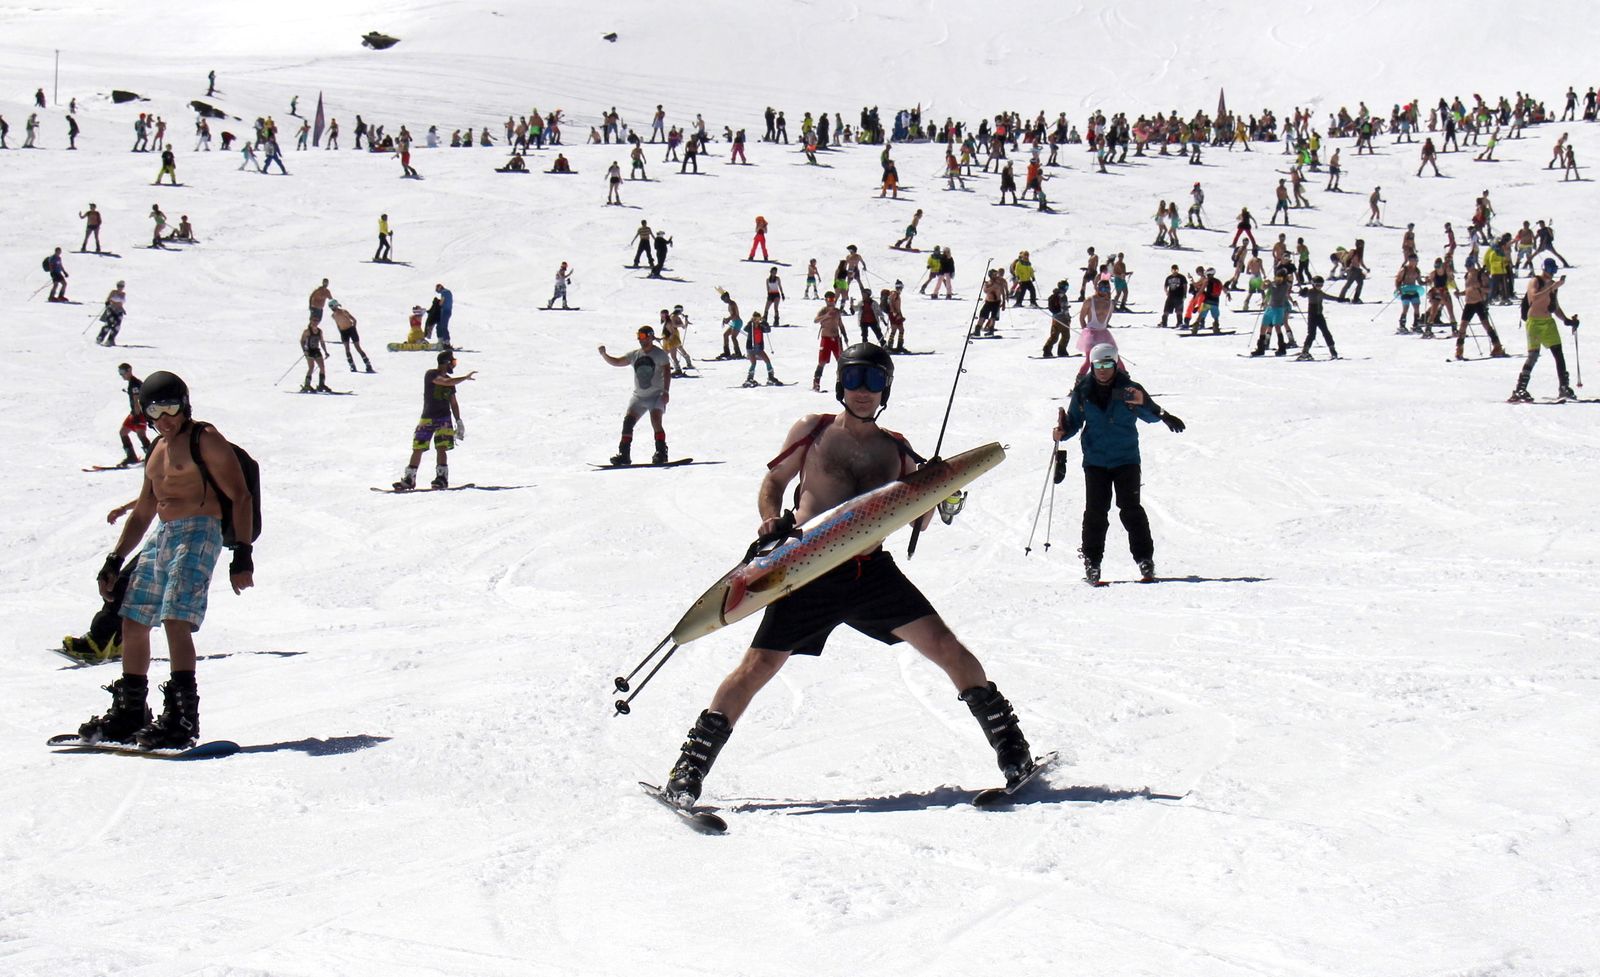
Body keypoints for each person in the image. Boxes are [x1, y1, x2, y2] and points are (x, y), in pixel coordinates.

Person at [660, 343, 1039, 808]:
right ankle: (688, 771)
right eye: (855, 378)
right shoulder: (813, 430)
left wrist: (944, 493)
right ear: (841, 383)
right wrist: (769, 519)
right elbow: (774, 482)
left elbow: (919, 520)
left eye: (874, 381)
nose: (863, 390)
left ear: (886, 389)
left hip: (869, 572)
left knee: (947, 648)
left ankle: (1013, 752)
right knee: (757, 667)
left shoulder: (896, 449)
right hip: (807, 570)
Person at [74, 371, 254, 749]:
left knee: (175, 618)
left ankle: (182, 718)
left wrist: (242, 554)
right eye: (156, 411)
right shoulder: (156, 449)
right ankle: (131, 713)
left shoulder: (206, 439)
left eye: (171, 407)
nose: (166, 417)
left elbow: (240, 495)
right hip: (164, 533)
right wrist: (114, 559)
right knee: (133, 619)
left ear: (185, 405)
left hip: (201, 530)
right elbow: (144, 510)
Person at [1053, 344, 1185, 585]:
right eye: (1098, 365)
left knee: (1131, 509)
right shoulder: (1084, 391)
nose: (1102, 370)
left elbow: (1149, 414)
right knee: (1096, 512)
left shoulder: (1128, 389)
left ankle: (1145, 559)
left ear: (1115, 365)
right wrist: (1062, 432)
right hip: (1095, 461)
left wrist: (1159, 414)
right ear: (1092, 366)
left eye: (1107, 365)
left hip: (1126, 459)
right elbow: (1074, 422)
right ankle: (1092, 562)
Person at [395, 352, 475, 490]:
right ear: (445, 363)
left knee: (441, 447)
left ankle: (441, 478)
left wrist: (458, 420)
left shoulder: (451, 381)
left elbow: (453, 402)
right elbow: (444, 382)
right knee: (418, 447)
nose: (453, 366)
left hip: (444, 418)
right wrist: (464, 378)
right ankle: (409, 478)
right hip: (428, 417)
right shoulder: (431, 374)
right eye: (452, 363)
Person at [599, 326, 672, 465]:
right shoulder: (635, 354)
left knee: (656, 420)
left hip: (656, 396)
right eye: (639, 337)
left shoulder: (659, 354)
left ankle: (661, 452)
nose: (640, 340)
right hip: (639, 397)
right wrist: (604, 355)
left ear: (651, 337)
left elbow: (667, 372)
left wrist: (666, 392)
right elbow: (617, 362)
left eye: (643, 337)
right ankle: (624, 454)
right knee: (628, 422)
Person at [1509, 261, 1579, 402]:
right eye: (1550, 269)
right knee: (1533, 355)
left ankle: (1564, 387)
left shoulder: (1553, 285)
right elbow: (1534, 297)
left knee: (1558, 353)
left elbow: (1555, 306)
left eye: (1554, 270)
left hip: (1548, 322)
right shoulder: (1536, 281)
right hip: (1534, 323)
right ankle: (1520, 389)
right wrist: (1552, 287)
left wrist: (1566, 320)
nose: (1552, 272)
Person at [114, 362, 153, 464]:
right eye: (120, 372)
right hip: (135, 413)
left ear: (129, 371)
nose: (121, 375)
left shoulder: (134, 384)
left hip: (139, 413)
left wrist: (137, 415)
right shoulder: (133, 383)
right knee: (123, 432)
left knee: (141, 435)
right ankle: (131, 456)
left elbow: (137, 400)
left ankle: (152, 457)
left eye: (123, 372)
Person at [1295, 277, 1338, 360]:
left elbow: (1329, 297)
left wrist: (1339, 299)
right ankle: (1305, 352)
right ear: (1313, 284)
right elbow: (1304, 295)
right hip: (1312, 316)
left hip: (1320, 316)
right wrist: (1302, 292)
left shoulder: (1320, 293)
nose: (1319, 287)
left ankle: (1333, 351)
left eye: (1321, 285)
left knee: (1326, 333)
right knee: (1311, 334)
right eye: (1318, 285)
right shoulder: (1310, 292)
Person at [812, 291, 846, 391]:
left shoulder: (837, 311)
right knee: (822, 361)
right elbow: (815, 320)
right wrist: (826, 316)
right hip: (826, 338)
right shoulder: (823, 310)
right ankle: (816, 382)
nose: (832, 301)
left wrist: (845, 335)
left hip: (836, 338)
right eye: (830, 299)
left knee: (841, 361)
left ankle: (841, 382)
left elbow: (840, 324)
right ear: (826, 300)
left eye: (833, 299)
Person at [329, 300, 374, 373]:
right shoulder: (333, 316)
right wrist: (341, 332)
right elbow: (338, 324)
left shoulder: (344, 312)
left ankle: (367, 364)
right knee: (347, 349)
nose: (333, 309)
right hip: (343, 332)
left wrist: (353, 329)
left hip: (351, 330)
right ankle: (352, 365)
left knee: (357, 347)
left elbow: (354, 320)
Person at [742, 313, 781, 387]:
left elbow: (768, 330)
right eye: (755, 319)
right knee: (753, 363)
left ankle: (771, 377)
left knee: (767, 360)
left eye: (758, 319)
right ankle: (749, 378)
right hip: (751, 348)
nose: (757, 321)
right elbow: (745, 329)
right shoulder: (751, 326)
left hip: (759, 348)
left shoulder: (761, 326)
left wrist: (764, 322)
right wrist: (750, 322)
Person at [299, 317, 332, 392]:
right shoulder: (307, 331)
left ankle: (321, 385)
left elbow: (322, 342)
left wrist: (325, 351)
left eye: (317, 321)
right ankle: (307, 385)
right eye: (314, 321)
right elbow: (302, 341)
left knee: (322, 367)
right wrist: (304, 350)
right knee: (311, 367)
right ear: (311, 321)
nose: (315, 322)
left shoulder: (319, 331)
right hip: (309, 351)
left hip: (316, 350)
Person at [97, 280, 128, 346]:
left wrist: (123, 309)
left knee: (117, 326)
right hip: (111, 309)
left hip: (119, 311)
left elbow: (121, 303)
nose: (120, 287)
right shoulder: (113, 292)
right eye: (119, 286)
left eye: (122, 286)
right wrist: (108, 303)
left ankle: (110, 340)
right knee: (108, 324)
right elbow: (108, 299)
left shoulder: (123, 294)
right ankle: (100, 338)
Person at [434, 283, 454, 347]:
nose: (437, 291)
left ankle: (446, 341)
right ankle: (442, 341)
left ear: (440, 287)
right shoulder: (448, 292)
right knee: (440, 325)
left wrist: (438, 304)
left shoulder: (444, 292)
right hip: (448, 311)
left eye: (437, 289)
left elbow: (441, 302)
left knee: (443, 326)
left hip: (445, 311)